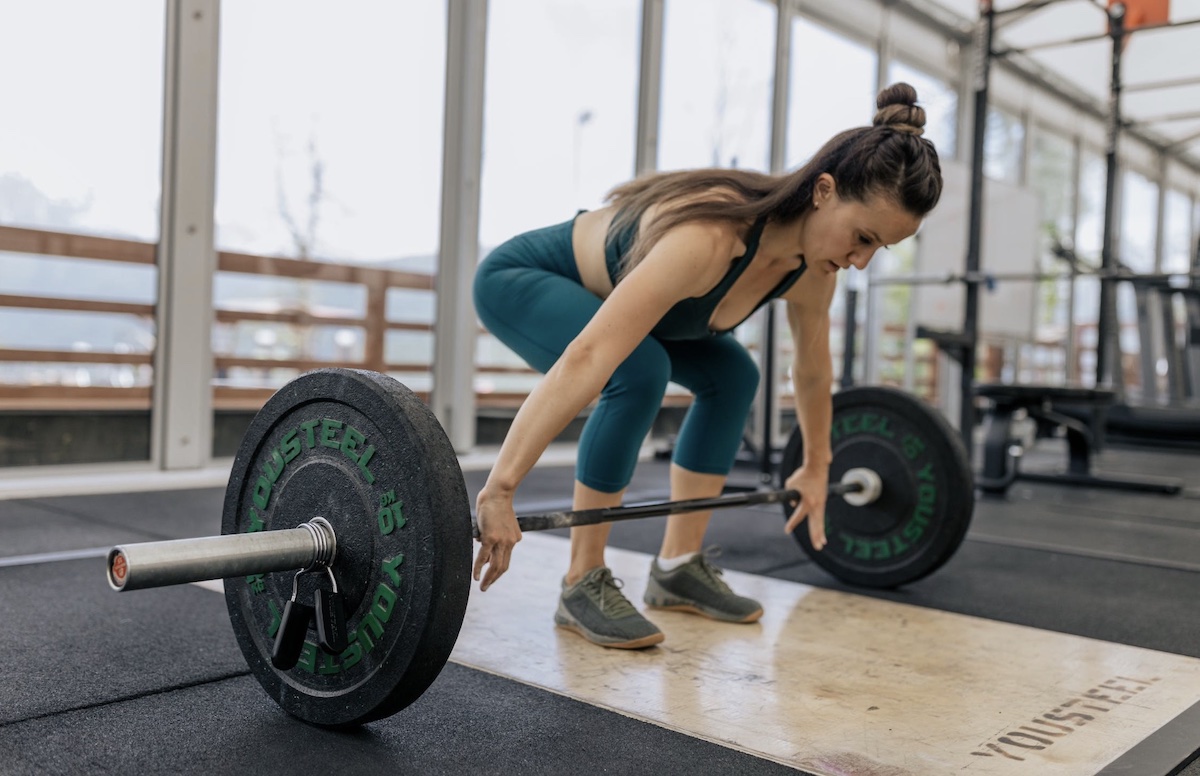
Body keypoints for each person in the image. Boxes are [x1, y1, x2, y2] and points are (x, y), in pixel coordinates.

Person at [471, 82, 943, 649]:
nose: (861, 262)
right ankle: (581, 580)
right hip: (527, 280)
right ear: (823, 191)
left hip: (643, 316)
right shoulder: (712, 240)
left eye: (879, 250)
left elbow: (814, 372)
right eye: (862, 237)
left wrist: (817, 464)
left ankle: (677, 567)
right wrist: (501, 488)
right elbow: (592, 354)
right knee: (637, 370)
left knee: (734, 375)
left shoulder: (815, 270)